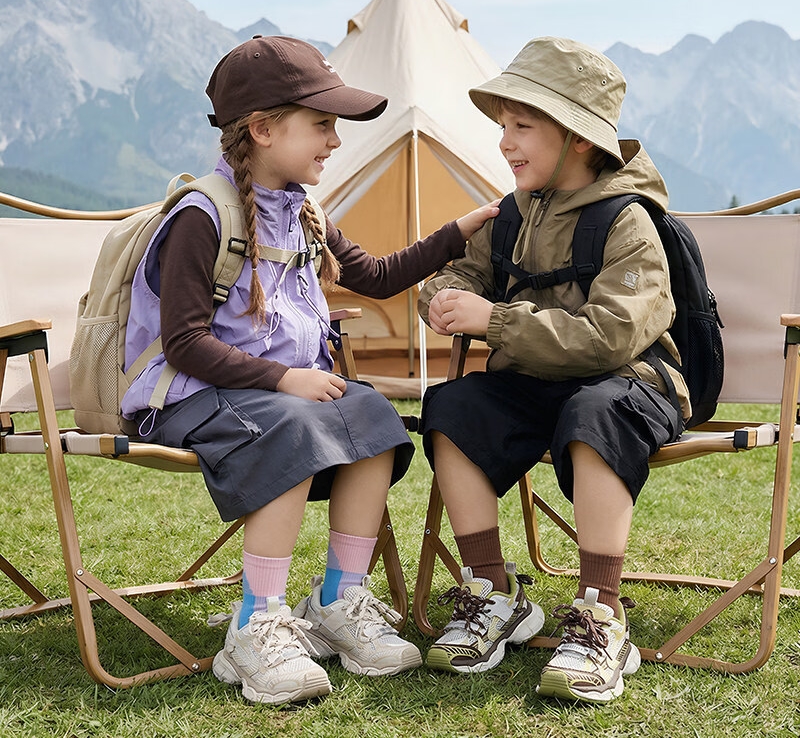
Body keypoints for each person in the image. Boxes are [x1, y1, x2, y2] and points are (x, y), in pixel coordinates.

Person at [120, 35, 499, 705]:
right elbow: (182, 342)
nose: (334, 140)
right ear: (263, 130)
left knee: (374, 416)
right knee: (293, 423)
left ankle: (338, 601)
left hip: (270, 401)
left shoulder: (305, 211)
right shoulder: (201, 216)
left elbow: (378, 277)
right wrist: (283, 380)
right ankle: (256, 621)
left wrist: (462, 227)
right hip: (191, 396)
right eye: (322, 124)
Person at [417, 36, 688, 703]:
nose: (505, 142)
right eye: (503, 125)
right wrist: (443, 297)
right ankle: (493, 589)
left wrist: (495, 321)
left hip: (630, 384)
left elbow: (611, 337)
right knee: (452, 406)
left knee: (591, 412)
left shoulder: (628, 222)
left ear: (579, 139)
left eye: (522, 126)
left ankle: (601, 613)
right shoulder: (511, 213)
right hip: (534, 382)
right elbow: (462, 271)